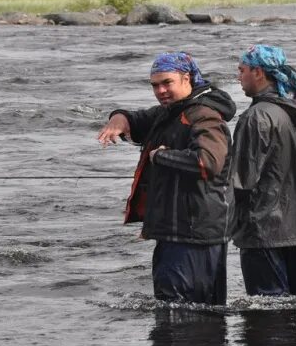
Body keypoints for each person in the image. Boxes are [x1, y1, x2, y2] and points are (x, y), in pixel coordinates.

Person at [97, 52, 236, 305]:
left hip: (192, 233)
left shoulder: (203, 115)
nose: (160, 90)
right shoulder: (169, 111)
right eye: (155, 85)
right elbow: (135, 119)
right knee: (195, 315)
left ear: (187, 79)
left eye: (167, 83)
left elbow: (209, 162)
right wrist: (118, 120)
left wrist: (163, 157)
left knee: (178, 313)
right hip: (182, 231)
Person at [232, 44, 296, 296]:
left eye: (242, 70)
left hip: (263, 230)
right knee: (294, 310)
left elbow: (241, 181)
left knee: (267, 313)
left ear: (258, 73)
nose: (239, 77)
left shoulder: (257, 116)